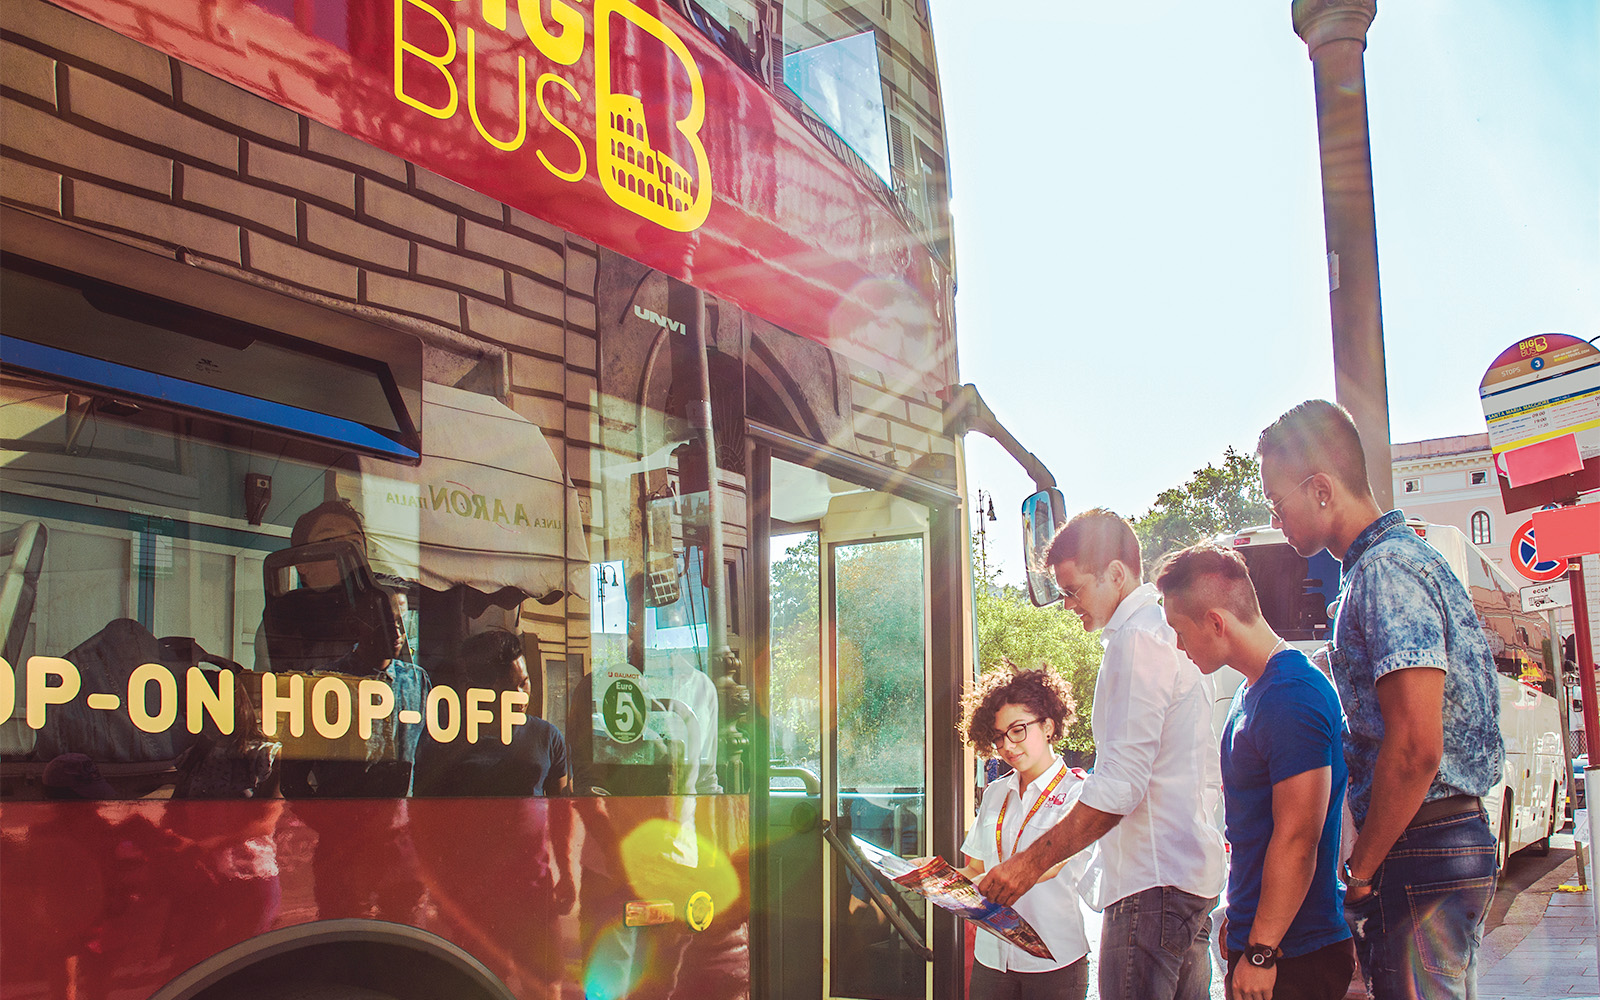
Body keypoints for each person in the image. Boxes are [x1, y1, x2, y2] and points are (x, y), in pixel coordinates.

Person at [1257, 400, 1502, 1000]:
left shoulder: (1385, 570)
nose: (1275, 517)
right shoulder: (1387, 564)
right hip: (1432, 844)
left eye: (1276, 501)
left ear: (1320, 489)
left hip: (1421, 847)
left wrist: (1360, 870)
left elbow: (1417, 745)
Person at [977, 508, 1225, 1000]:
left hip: (1150, 886)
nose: (1067, 606)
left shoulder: (1134, 641)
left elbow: (1119, 785)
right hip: (1191, 882)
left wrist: (1025, 867)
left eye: (1072, 590)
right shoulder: (1169, 634)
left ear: (1116, 574)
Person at [1155, 543, 1355, 1000]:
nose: (1179, 647)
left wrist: (1263, 950)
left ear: (1216, 622)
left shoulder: (1290, 694)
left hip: (1295, 954)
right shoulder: (1255, 691)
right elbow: (1254, 830)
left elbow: (1299, 838)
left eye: (1180, 632)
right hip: (1269, 944)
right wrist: (1241, 926)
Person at [958, 662, 1091, 1000]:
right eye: (999, 737)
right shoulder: (994, 793)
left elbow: (1051, 865)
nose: (1008, 746)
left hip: (1053, 962)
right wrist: (932, 879)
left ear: (1048, 726)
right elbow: (974, 869)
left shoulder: (1081, 793)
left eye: (1018, 730)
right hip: (991, 958)